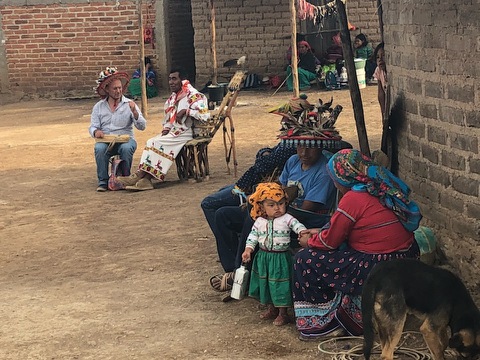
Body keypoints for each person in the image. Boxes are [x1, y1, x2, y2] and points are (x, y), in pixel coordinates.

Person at [208, 96, 345, 293]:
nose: (304, 152)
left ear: (320, 146)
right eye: (300, 146)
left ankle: (241, 273)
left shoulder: (324, 170)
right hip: (280, 212)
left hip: (305, 219)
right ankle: (232, 270)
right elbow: (277, 190)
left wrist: (268, 208)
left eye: (310, 147)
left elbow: (308, 208)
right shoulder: (292, 162)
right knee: (224, 215)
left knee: (256, 217)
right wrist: (260, 200)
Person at [293, 149, 422, 341]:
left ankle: (324, 322)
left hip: (377, 265)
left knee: (304, 259)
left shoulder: (354, 198)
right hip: (407, 257)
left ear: (342, 177)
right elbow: (364, 226)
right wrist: (321, 232)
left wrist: (309, 241)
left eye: (333, 178)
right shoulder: (382, 186)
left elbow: (329, 242)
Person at [117, 67, 210, 191]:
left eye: (174, 79)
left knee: (157, 143)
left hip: (189, 132)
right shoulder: (173, 98)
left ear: (183, 80)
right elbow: (168, 118)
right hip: (176, 132)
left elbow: (205, 115)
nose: (171, 82)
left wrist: (187, 111)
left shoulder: (194, 96)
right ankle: (143, 178)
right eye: (170, 79)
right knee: (151, 141)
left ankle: (142, 178)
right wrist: (166, 127)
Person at [241, 183, 307, 326]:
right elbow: (252, 237)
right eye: (271, 205)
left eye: (281, 204)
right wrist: (248, 250)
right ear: (261, 206)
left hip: (280, 258)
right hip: (264, 258)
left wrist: (302, 232)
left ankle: (283, 313)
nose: (277, 208)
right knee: (267, 284)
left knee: (280, 285)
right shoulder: (259, 222)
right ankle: (272, 308)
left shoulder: (287, 219)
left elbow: (298, 226)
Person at [89, 66, 147, 192]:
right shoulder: (99, 107)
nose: (118, 91)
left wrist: (135, 113)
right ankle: (103, 182)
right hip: (106, 140)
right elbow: (93, 126)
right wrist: (96, 132)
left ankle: (124, 179)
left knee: (126, 148)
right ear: (107, 90)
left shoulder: (129, 104)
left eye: (120, 88)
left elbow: (142, 126)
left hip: (126, 139)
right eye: (115, 88)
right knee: (99, 148)